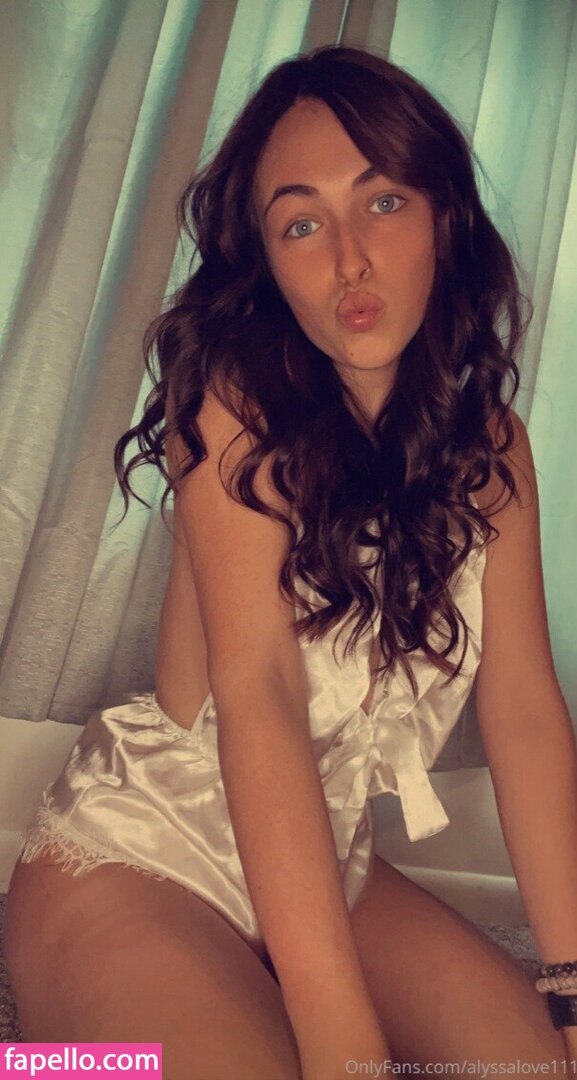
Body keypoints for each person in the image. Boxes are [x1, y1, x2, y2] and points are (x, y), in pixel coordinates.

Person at [5, 44, 574, 1079]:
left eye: (384, 203)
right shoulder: (233, 407)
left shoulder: (494, 450)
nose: (349, 259)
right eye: (301, 224)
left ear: (444, 217)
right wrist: (341, 1042)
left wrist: (572, 983)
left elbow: (526, 716)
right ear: (265, 261)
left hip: (328, 863)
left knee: (536, 1065)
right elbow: (258, 693)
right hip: (144, 851)